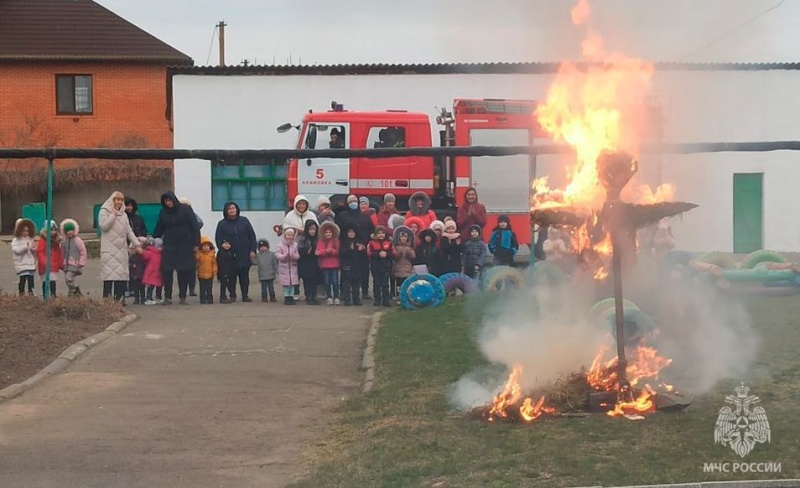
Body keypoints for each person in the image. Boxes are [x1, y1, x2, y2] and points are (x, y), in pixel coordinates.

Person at [153, 191, 201, 305]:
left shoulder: (185, 210)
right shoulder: (163, 213)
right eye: (166, 201)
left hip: (185, 245)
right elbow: (159, 229)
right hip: (169, 245)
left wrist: (196, 244)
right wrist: (152, 240)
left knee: (183, 271)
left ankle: (182, 296)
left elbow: (195, 227)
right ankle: (168, 296)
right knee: (167, 271)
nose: (168, 203)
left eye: (170, 200)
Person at [98, 191, 141, 301]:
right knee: (109, 277)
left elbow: (129, 231)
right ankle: (107, 302)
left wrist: (137, 244)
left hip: (121, 250)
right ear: (112, 200)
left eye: (121, 200)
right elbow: (104, 226)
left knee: (120, 277)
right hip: (109, 250)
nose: (119, 202)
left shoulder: (124, 215)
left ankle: (119, 301)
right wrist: (113, 214)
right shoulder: (104, 211)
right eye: (117, 199)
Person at [214, 201, 258, 302]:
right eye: (229, 209)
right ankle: (232, 294)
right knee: (231, 276)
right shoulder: (222, 224)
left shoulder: (244, 221)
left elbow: (252, 236)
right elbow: (218, 238)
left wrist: (252, 249)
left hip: (244, 253)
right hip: (230, 254)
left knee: (244, 276)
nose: (232, 210)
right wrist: (222, 245)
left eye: (233, 208)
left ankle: (245, 295)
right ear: (226, 211)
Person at [335, 194, 374, 299]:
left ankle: (364, 291)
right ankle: (344, 292)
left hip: (362, 249)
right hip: (347, 249)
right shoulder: (342, 216)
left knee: (364, 271)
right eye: (351, 201)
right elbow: (338, 232)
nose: (354, 203)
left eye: (355, 201)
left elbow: (371, 231)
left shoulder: (365, 217)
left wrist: (365, 244)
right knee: (346, 272)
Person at [179, 197, 204, 297]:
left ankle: (192, 288)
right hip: (181, 245)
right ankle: (182, 290)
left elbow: (200, 222)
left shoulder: (193, 215)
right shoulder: (177, 215)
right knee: (181, 269)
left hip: (192, 244)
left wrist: (192, 229)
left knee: (192, 269)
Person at [339, 225, 366, 306]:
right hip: (347, 265)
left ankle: (356, 299)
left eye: (353, 232)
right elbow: (341, 253)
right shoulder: (344, 242)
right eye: (350, 232)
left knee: (356, 283)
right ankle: (346, 299)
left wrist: (362, 250)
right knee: (347, 283)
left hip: (357, 266)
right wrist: (349, 249)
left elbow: (363, 256)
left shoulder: (358, 241)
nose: (351, 234)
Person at [367, 225, 394, 307]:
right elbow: (369, 253)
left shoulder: (389, 243)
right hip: (376, 266)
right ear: (376, 234)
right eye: (378, 233)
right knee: (376, 284)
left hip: (386, 266)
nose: (380, 235)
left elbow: (393, 253)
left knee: (385, 284)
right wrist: (378, 254)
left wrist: (386, 254)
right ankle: (377, 300)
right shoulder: (372, 243)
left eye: (382, 233)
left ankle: (386, 300)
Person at [36, 221, 63, 299]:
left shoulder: (56, 241)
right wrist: (44, 262)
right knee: (46, 281)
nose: (53, 232)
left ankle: (53, 295)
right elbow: (40, 252)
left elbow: (58, 253)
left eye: (54, 230)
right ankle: (46, 296)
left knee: (53, 281)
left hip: (53, 264)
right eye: (51, 230)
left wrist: (60, 263)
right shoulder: (43, 241)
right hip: (45, 266)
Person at [60, 219, 87, 297]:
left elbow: (83, 252)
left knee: (69, 278)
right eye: (68, 230)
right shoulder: (65, 241)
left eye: (71, 230)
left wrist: (81, 262)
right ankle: (72, 291)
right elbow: (62, 252)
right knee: (67, 280)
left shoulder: (78, 240)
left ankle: (75, 290)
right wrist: (62, 262)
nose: (70, 232)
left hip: (75, 263)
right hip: (66, 264)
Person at [316, 221, 341, 305]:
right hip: (325, 265)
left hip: (334, 264)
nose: (328, 234)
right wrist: (326, 252)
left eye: (330, 232)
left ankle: (336, 296)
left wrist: (331, 251)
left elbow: (338, 251)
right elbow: (319, 251)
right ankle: (328, 297)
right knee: (327, 282)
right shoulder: (320, 241)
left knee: (335, 282)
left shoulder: (336, 241)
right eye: (326, 232)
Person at [275, 227, 300, 305]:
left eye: (291, 235)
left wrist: (293, 256)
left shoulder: (295, 245)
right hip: (284, 267)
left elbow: (298, 255)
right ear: (285, 235)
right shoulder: (280, 245)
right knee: (286, 285)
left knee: (292, 284)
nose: (289, 237)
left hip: (292, 267)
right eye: (288, 235)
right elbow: (277, 254)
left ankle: (291, 297)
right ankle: (286, 297)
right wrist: (283, 256)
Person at [298, 220, 321, 305]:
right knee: (307, 280)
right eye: (310, 229)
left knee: (314, 280)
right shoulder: (303, 239)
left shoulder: (318, 239)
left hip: (315, 262)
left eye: (314, 229)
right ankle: (308, 296)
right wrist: (308, 251)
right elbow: (300, 250)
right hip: (305, 263)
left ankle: (314, 296)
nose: (312, 231)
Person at [391, 225, 416, 303]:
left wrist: (409, 253)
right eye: (402, 237)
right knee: (399, 285)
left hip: (407, 269)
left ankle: (406, 297)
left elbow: (413, 257)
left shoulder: (410, 248)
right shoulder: (396, 247)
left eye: (405, 237)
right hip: (398, 269)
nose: (403, 239)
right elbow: (394, 257)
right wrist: (399, 253)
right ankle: (399, 297)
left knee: (407, 284)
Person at [141, 238, 164, 305]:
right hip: (152, 272)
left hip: (158, 272)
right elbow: (145, 256)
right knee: (151, 286)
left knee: (159, 285)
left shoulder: (161, 253)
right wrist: (142, 251)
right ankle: (148, 298)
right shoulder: (150, 252)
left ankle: (158, 297)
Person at [196, 236, 218, 304]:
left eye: (207, 246)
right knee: (202, 288)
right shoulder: (199, 254)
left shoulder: (212, 254)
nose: (206, 247)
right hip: (201, 274)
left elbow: (214, 263)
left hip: (210, 274)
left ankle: (209, 299)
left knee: (209, 288)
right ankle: (202, 299)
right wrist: (197, 251)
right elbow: (196, 259)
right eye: (204, 246)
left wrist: (214, 271)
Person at [128, 236, 148, 304]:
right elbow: (129, 265)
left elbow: (145, 265)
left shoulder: (142, 257)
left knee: (142, 288)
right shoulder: (132, 257)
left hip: (141, 274)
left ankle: (142, 298)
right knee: (136, 288)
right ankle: (137, 298)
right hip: (135, 274)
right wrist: (132, 266)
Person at [216, 239, 235, 303]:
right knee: (223, 285)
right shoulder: (220, 252)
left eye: (228, 244)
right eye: (225, 244)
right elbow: (220, 263)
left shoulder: (230, 252)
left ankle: (229, 295)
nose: (227, 245)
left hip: (229, 271)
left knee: (229, 284)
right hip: (222, 272)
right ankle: (222, 297)